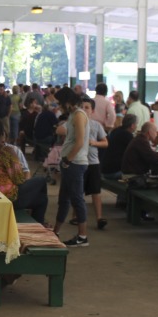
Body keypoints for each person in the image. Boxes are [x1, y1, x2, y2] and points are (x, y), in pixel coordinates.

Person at [52, 87, 90, 247]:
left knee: (76, 199)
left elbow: (80, 141)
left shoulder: (79, 115)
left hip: (75, 163)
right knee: (64, 200)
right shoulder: (74, 115)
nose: (59, 106)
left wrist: (68, 159)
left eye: (60, 103)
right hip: (69, 162)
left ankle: (82, 236)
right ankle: (56, 232)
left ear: (68, 102)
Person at [74, 98, 108, 230]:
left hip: (93, 162)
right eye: (81, 107)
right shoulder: (75, 124)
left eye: (87, 107)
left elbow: (105, 143)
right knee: (78, 191)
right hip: (79, 161)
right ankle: (76, 215)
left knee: (96, 191)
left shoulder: (96, 125)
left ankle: (99, 218)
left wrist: (94, 143)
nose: (84, 109)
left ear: (92, 111)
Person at [102, 114, 137, 180]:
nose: (136, 126)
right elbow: (136, 152)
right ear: (132, 126)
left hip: (105, 169)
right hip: (114, 172)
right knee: (140, 174)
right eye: (136, 124)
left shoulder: (115, 131)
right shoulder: (128, 136)